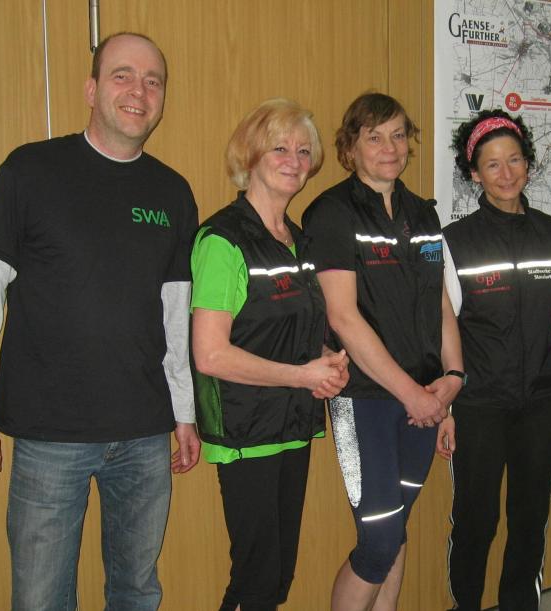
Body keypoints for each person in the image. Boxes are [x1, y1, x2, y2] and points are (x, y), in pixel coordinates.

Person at [0, 33, 200, 609]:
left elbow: (175, 318)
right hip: (48, 435)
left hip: (144, 433)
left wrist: (185, 413)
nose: (139, 91)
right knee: (40, 600)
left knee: (137, 592)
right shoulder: (29, 170)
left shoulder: (172, 192)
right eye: (122, 75)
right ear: (91, 89)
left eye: (153, 81)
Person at [302, 92, 464, 611]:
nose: (389, 148)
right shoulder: (331, 212)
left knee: (397, 528)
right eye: (374, 137)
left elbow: (440, 305)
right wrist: (414, 395)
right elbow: (343, 317)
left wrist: (452, 381)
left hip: (424, 399)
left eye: (398, 135)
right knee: (378, 541)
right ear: (350, 147)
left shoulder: (423, 214)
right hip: (366, 399)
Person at [190, 98, 349, 611]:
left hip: (292, 424)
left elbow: (290, 331)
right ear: (251, 155)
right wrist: (303, 376)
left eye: (303, 151)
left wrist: (326, 362)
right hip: (245, 430)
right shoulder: (222, 241)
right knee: (257, 577)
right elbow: (210, 355)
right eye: (280, 148)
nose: (294, 160)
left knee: (276, 576)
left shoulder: (297, 241)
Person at [438, 110, 551, 611]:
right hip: (479, 404)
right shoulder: (456, 241)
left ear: (528, 164)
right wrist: (446, 406)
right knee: (476, 519)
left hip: (544, 400)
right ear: (474, 173)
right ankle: (465, 604)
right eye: (492, 164)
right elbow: (442, 329)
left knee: (530, 517)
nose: (506, 173)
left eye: (514, 160)